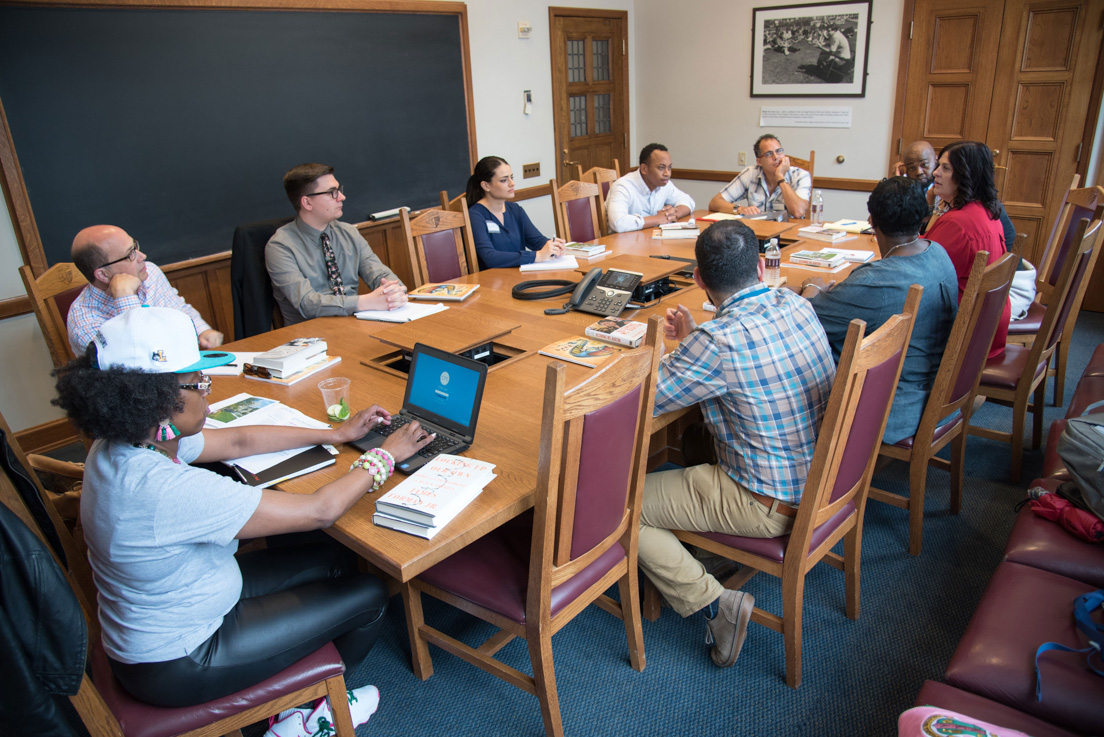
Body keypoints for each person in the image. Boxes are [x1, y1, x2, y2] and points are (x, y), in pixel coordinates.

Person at [52, 307, 435, 708]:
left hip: (184, 602)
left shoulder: (130, 440)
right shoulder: (164, 489)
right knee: (371, 592)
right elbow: (320, 510)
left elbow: (238, 443)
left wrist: (335, 433)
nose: (207, 392)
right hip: (181, 659)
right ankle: (309, 714)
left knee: (333, 557)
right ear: (159, 401)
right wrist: (385, 456)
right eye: (198, 382)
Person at [637, 220, 836, 668]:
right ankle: (704, 550)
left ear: (699, 280)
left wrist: (670, 351)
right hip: (823, 478)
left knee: (622, 505)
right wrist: (693, 346)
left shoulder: (716, 341)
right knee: (694, 440)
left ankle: (715, 604)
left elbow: (643, 403)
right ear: (761, 268)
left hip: (766, 502)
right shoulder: (797, 304)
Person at [801, 177, 958, 444]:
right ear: (923, 218)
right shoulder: (938, 253)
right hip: (939, 394)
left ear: (871, 221)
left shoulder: (877, 281)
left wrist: (811, 290)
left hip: (895, 409)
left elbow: (806, 323)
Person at [267, 163, 406, 326]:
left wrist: (394, 290)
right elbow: (307, 303)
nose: (341, 197)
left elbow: (378, 273)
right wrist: (364, 302)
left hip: (356, 323)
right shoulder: (280, 247)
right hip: (310, 335)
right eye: (332, 192)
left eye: (339, 190)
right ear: (307, 203)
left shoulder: (348, 232)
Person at [67, 225, 222, 356]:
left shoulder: (150, 273)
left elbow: (179, 309)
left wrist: (202, 331)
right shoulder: (84, 322)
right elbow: (142, 360)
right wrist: (125, 297)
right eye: (130, 254)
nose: (142, 256)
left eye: (135, 246)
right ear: (102, 274)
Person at [924, 141, 1011, 358]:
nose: (935, 173)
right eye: (938, 166)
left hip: (963, 339)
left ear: (966, 175)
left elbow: (919, 270)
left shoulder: (957, 223)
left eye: (945, 168)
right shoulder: (988, 212)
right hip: (989, 331)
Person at [466, 156, 566, 268]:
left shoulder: (515, 209)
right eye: (504, 180)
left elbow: (537, 241)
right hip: (491, 280)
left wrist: (553, 246)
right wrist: (536, 256)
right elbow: (490, 257)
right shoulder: (475, 215)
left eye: (511, 177)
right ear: (486, 185)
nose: (512, 183)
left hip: (518, 275)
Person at [708, 134, 811, 218]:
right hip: (758, 235)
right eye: (768, 154)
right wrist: (740, 209)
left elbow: (798, 212)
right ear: (759, 161)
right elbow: (715, 203)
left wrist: (780, 177)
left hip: (788, 237)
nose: (776, 157)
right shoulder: (751, 173)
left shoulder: (801, 175)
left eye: (779, 151)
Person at [605, 143, 695, 233]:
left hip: (648, 240)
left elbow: (689, 201)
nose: (667, 173)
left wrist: (674, 213)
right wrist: (657, 219)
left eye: (669, 167)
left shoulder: (664, 184)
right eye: (661, 168)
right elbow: (618, 223)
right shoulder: (623, 186)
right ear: (644, 169)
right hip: (621, 243)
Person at [893, 140, 938, 205]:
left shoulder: (944, 189)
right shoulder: (907, 188)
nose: (918, 172)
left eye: (924, 165)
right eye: (912, 168)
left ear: (935, 161)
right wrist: (897, 185)